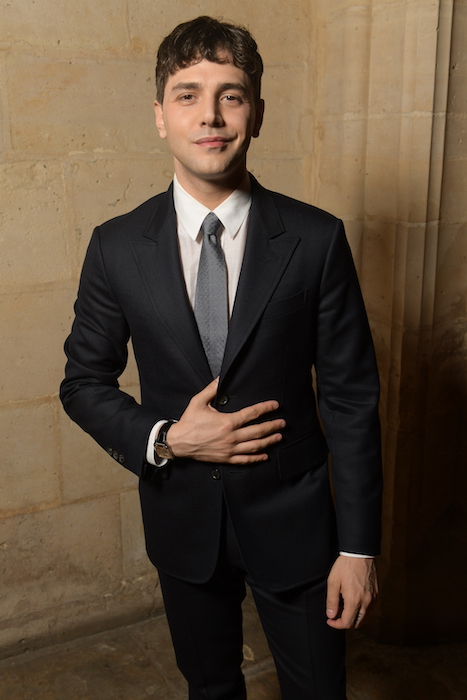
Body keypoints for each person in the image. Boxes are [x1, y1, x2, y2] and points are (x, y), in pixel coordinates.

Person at [61, 16, 382, 700]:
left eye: (230, 95)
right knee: (209, 688)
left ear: (256, 113)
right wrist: (168, 438)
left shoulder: (316, 239)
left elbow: (350, 398)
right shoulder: (116, 247)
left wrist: (357, 548)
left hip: (297, 527)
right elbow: (83, 382)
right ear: (160, 115)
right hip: (182, 523)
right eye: (188, 95)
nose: (209, 115)